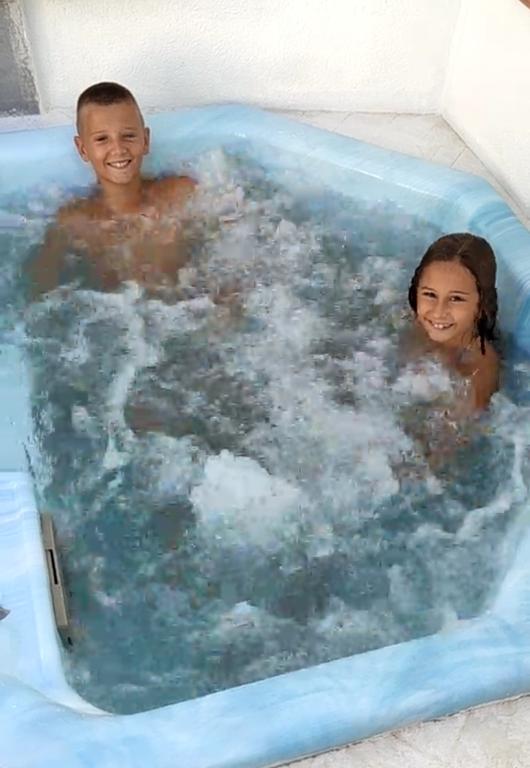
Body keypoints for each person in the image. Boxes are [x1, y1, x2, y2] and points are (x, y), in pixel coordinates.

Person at [30, 81, 197, 296]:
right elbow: (43, 288)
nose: (118, 149)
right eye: (102, 139)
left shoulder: (180, 194)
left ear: (145, 140)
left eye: (128, 136)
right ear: (82, 149)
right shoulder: (74, 221)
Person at [407, 232, 499, 413]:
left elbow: (456, 429)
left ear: (482, 304)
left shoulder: (478, 371)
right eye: (430, 294)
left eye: (456, 299)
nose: (438, 312)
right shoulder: (419, 323)